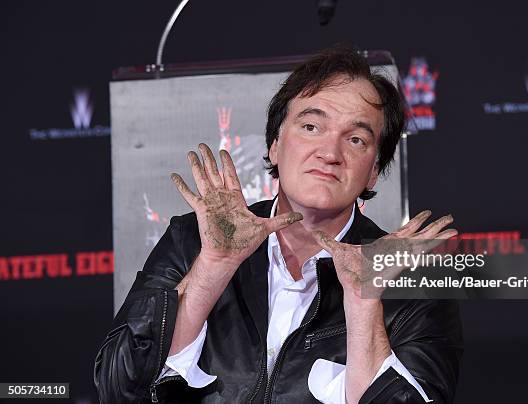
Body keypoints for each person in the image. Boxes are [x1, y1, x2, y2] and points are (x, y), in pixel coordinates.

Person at [94, 46, 462, 404]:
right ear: (274, 145)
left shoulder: (413, 282)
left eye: (355, 139)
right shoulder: (194, 240)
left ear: (374, 172)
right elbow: (118, 388)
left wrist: (363, 303)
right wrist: (214, 266)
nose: (330, 153)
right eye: (311, 126)